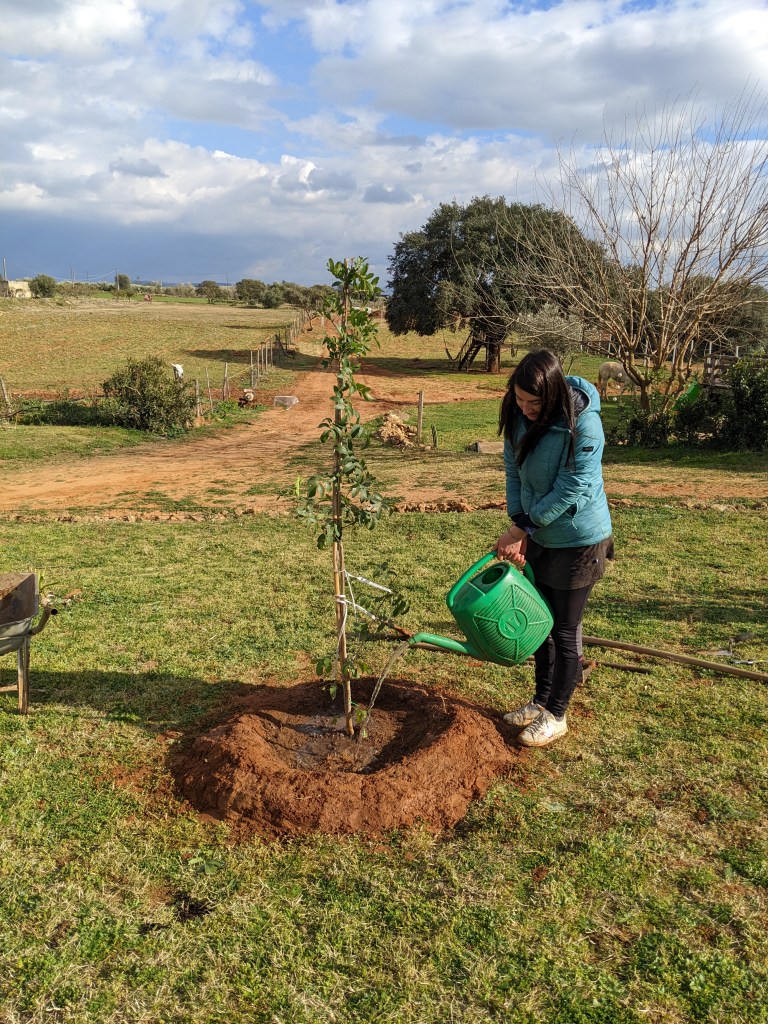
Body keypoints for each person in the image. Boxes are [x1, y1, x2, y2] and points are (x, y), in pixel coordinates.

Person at [495, 350, 613, 748]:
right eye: (520, 399)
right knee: (539, 623)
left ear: (554, 393)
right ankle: (541, 700)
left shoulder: (584, 424)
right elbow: (513, 470)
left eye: (534, 402)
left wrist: (523, 528)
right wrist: (520, 523)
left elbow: (572, 486)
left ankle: (556, 715)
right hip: (540, 533)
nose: (525, 409)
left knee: (563, 629)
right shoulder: (517, 415)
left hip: (579, 539)